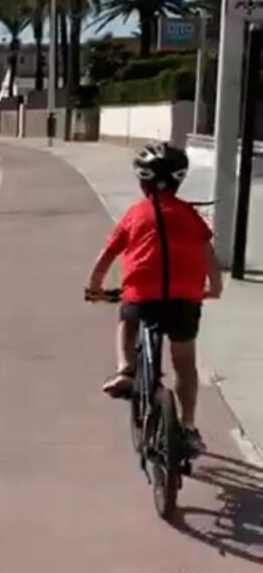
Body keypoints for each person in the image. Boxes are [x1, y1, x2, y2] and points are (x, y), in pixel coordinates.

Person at [86, 143, 223, 455]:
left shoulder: (135, 214)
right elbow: (209, 256)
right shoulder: (190, 215)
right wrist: (214, 288)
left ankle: (125, 370)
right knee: (185, 362)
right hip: (184, 299)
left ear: (142, 181)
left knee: (126, 321)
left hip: (142, 296)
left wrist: (94, 286)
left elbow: (108, 254)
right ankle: (187, 427)